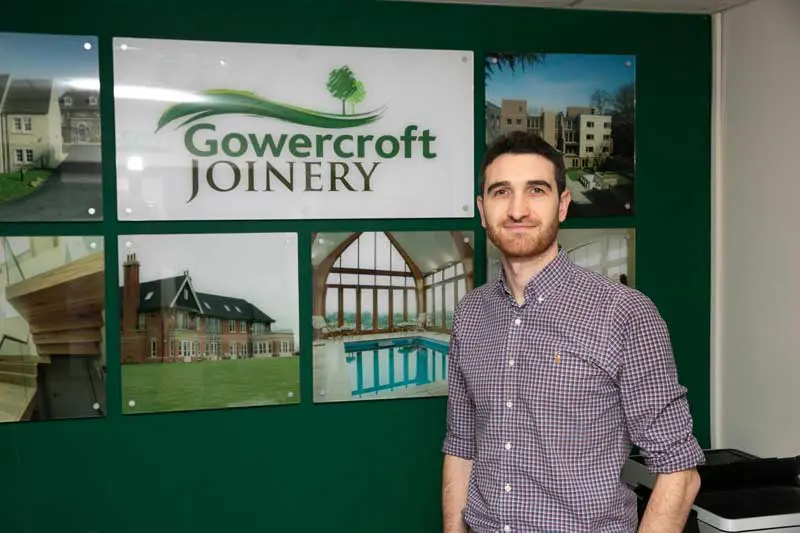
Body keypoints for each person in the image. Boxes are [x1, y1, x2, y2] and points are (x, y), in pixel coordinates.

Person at [441, 131, 705, 533]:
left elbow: (679, 472)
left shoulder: (625, 313)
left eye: (536, 190)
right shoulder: (471, 313)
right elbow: (460, 447)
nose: (517, 209)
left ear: (562, 205)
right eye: (500, 192)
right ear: (482, 209)